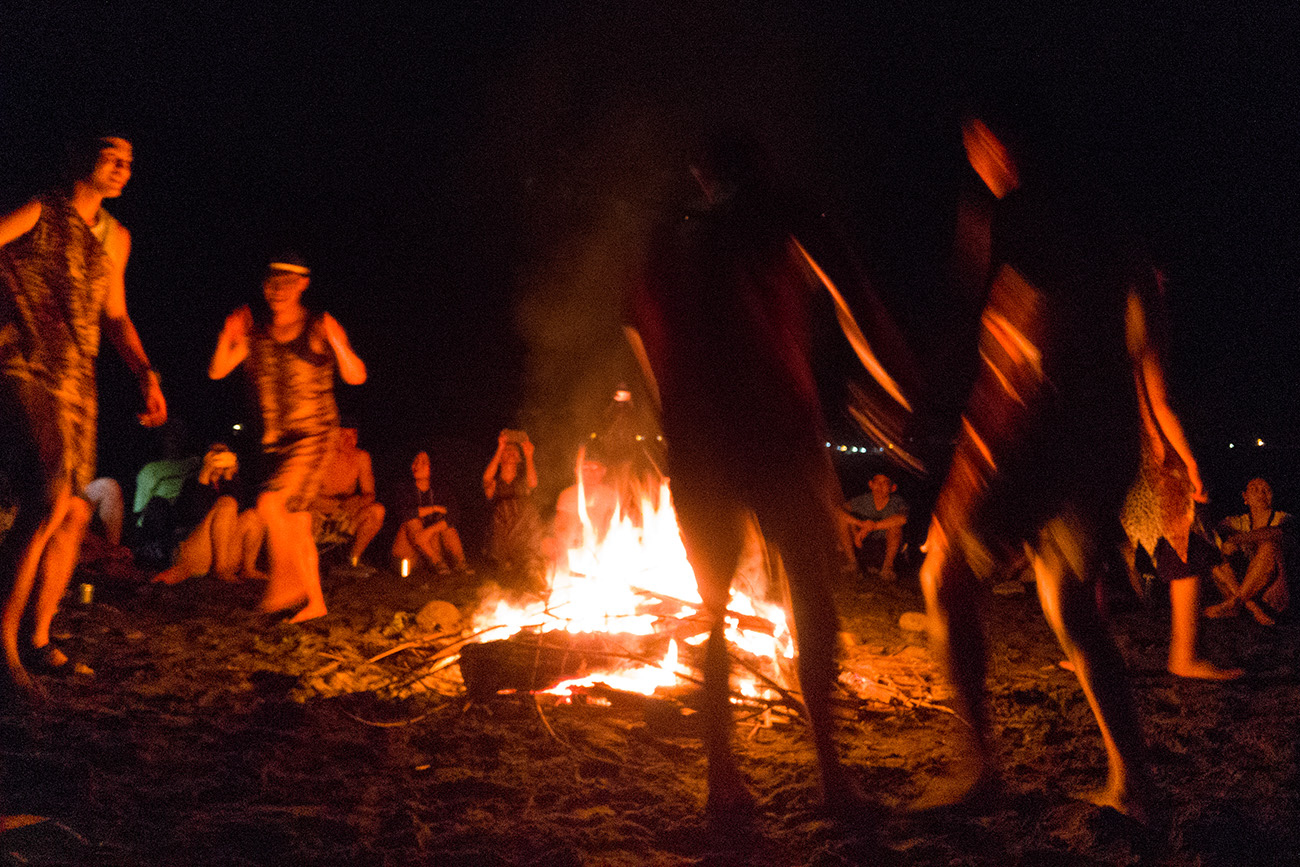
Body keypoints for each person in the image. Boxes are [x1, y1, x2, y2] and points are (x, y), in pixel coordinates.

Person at [915, 115, 1175, 821]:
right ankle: (1136, 783)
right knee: (1069, 603)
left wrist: (921, 388)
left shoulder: (1015, 210)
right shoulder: (1107, 214)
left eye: (972, 144)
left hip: (1038, 428)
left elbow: (981, 313)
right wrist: (1158, 421)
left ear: (993, 141)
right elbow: (1146, 321)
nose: (971, 158)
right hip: (1105, 435)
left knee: (943, 573)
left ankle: (978, 769)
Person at [1, 134, 167, 699]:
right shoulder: (43, 208)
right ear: (81, 157)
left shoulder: (115, 238)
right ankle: (3, 643)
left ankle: (39, 639)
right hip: (24, 364)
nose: (122, 168)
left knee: (72, 513)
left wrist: (145, 372)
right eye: (111, 156)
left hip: (78, 381)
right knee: (47, 495)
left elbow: (115, 315)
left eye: (129, 161)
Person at [208, 253, 366, 623]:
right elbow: (217, 371)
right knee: (295, 524)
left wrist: (340, 345)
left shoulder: (316, 325)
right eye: (272, 283)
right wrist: (226, 336)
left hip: (315, 434)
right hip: (276, 441)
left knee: (270, 502)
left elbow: (356, 376)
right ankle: (315, 602)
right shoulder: (257, 332)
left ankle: (285, 583)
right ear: (265, 287)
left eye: (287, 283)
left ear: (302, 285)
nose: (278, 291)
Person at [152, 443, 264, 585]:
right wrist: (205, 474)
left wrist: (229, 476)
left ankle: (248, 569)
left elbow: (238, 512)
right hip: (194, 552)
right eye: (215, 453)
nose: (219, 457)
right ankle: (220, 569)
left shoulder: (228, 482)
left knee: (251, 515)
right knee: (227, 502)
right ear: (206, 458)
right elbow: (190, 518)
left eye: (224, 453)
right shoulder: (193, 482)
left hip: (223, 552)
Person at [1206, 477, 1289, 626]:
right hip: (1244, 588)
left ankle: (1236, 604)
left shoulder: (1283, 519)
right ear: (1245, 497)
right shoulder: (1237, 522)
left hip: (1270, 592)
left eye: (1266, 490)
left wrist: (1236, 539)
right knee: (1215, 554)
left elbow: (1277, 532)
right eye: (1255, 490)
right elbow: (1212, 533)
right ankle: (1248, 606)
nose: (1261, 494)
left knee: (1268, 547)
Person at [309, 420, 385, 575]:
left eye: (353, 435)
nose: (349, 440)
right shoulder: (317, 457)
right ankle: (302, 564)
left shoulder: (361, 457)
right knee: (299, 514)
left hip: (344, 518)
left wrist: (357, 501)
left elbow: (369, 493)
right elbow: (304, 496)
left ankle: (353, 561)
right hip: (316, 517)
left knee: (377, 511)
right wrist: (334, 503)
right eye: (343, 435)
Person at [391, 450, 469, 575]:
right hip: (407, 556)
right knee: (413, 521)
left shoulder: (442, 490)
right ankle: (437, 561)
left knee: (448, 527)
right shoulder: (403, 488)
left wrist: (428, 532)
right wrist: (435, 508)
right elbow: (406, 513)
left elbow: (454, 514)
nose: (417, 466)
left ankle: (461, 563)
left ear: (433, 466)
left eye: (423, 462)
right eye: (415, 462)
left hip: (429, 545)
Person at [546, 447, 618, 574]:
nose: (590, 472)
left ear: (603, 471)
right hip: (573, 549)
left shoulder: (611, 494)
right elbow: (560, 526)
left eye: (595, 468)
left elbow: (612, 524)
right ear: (577, 471)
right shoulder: (567, 495)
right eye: (585, 469)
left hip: (603, 548)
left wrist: (600, 543)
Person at [482, 429, 542, 575]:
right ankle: (504, 559)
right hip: (500, 534)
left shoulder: (522, 481)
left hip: (522, 534)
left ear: (519, 459)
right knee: (503, 507)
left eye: (514, 451)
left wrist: (528, 456)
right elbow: (486, 480)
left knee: (528, 507)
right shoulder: (495, 483)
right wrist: (500, 447)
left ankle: (526, 558)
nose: (510, 452)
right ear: (500, 457)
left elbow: (533, 483)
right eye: (506, 450)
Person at [843, 472, 908, 581]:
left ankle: (887, 568)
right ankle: (852, 563)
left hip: (885, 546)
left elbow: (902, 518)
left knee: (896, 526)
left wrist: (873, 526)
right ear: (870, 484)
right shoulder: (863, 500)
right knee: (845, 520)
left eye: (885, 483)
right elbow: (839, 511)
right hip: (862, 543)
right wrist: (860, 524)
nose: (880, 486)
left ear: (893, 488)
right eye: (876, 482)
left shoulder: (897, 502)